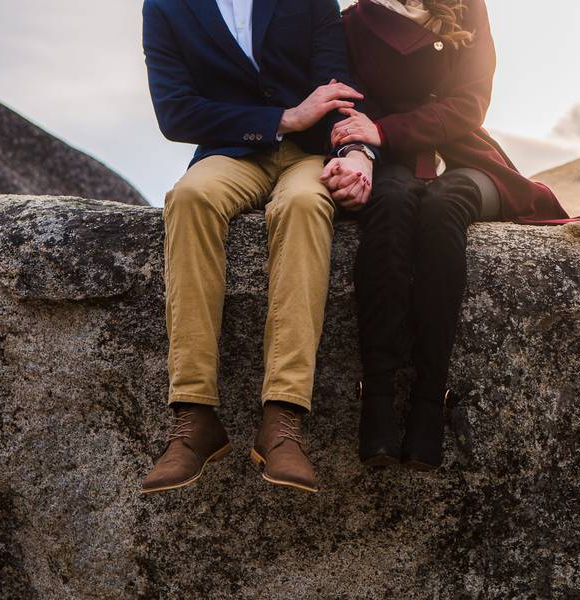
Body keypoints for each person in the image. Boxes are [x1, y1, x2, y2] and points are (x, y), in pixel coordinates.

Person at [331, 0, 580, 470]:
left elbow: (471, 103)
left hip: (465, 157)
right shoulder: (354, 20)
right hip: (388, 161)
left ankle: (430, 401)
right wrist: (366, 144)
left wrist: (384, 129)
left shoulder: (467, 7)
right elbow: (353, 104)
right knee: (389, 208)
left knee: (442, 208)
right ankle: (375, 399)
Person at [139, 0, 378, 495]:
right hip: (233, 152)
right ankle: (193, 415)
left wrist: (351, 153)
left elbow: (339, 89)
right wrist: (284, 117)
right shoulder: (164, 5)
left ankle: (282, 419)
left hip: (310, 156)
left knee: (304, 208)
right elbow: (174, 112)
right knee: (188, 198)